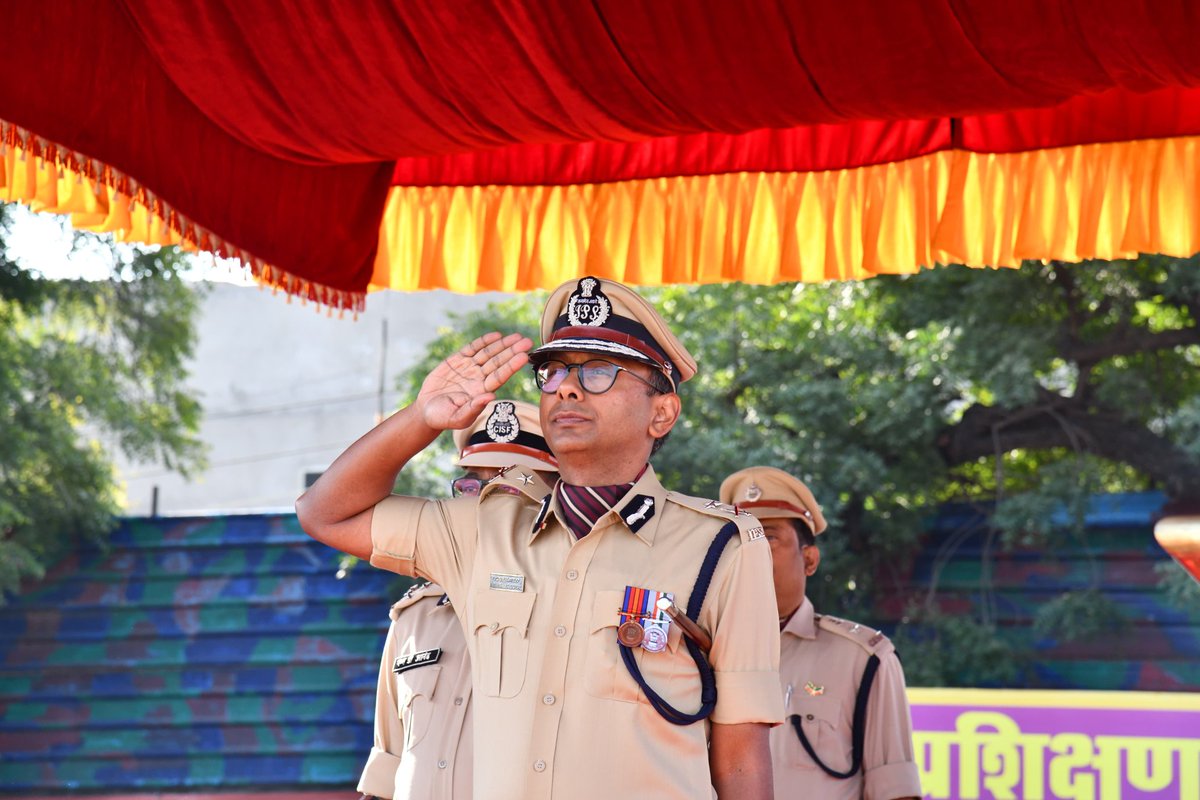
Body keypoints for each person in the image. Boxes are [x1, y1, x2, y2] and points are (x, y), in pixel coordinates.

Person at [298, 276, 783, 800]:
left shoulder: (723, 546)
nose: (567, 389)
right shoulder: (482, 530)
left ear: (661, 413)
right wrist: (422, 419)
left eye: (598, 372)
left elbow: (740, 755)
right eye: (553, 373)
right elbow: (325, 514)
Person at [357, 400, 558, 800]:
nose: (483, 505)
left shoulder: (571, 604)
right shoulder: (416, 615)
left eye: (507, 487)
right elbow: (389, 759)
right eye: (471, 485)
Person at [720, 467, 922, 800]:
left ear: (810, 560)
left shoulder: (863, 660)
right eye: (737, 540)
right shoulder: (696, 653)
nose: (748, 552)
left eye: (767, 537)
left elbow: (895, 792)